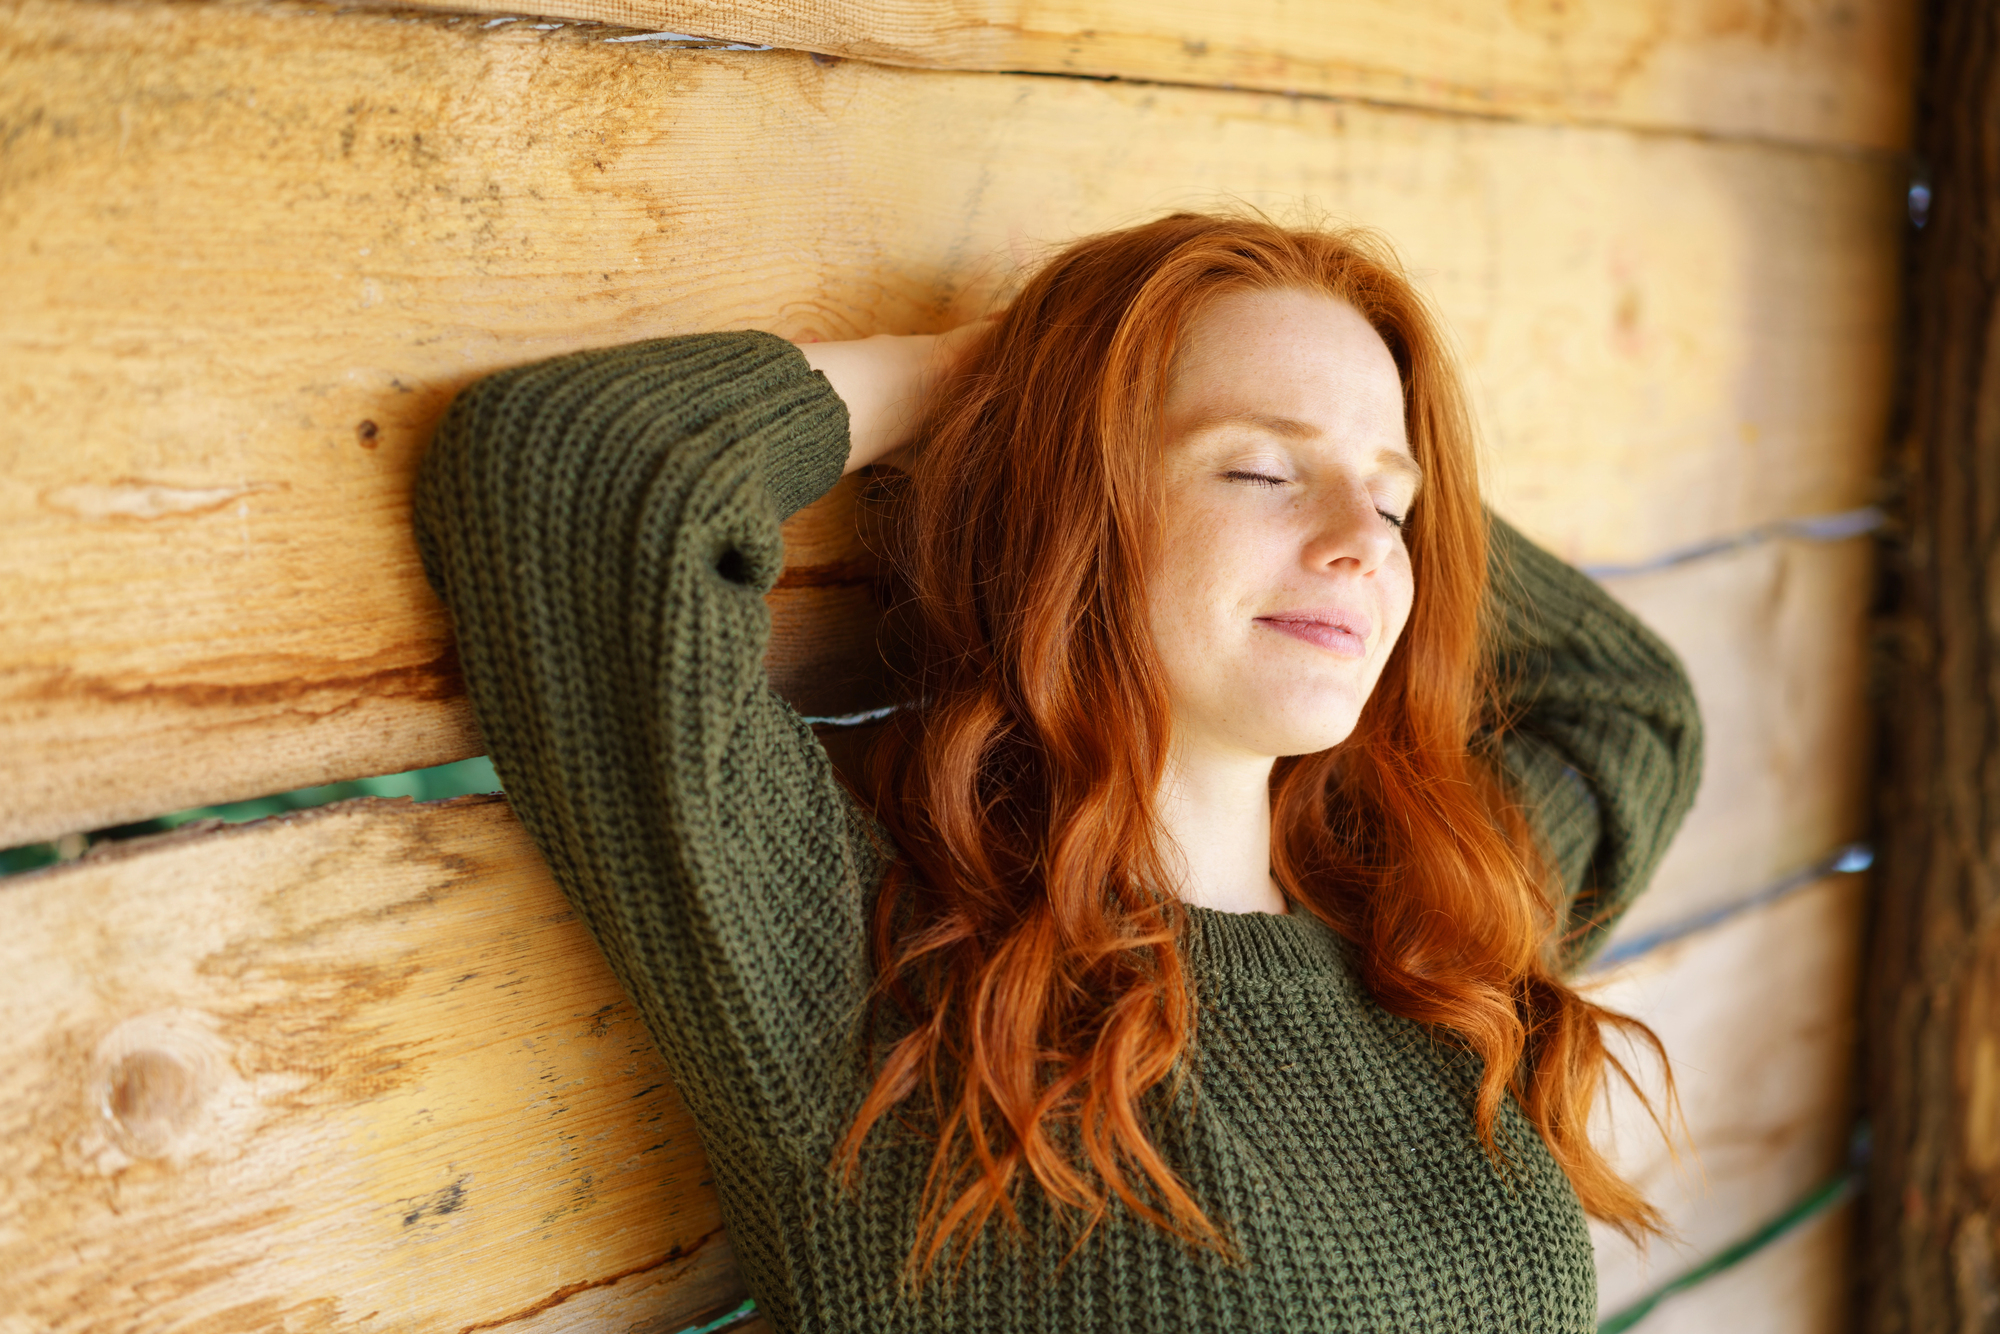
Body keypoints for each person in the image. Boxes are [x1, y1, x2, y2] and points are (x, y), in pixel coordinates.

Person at [413, 212, 1701, 1332]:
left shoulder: (1426, 923)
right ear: (1069, 504)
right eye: (1259, 468)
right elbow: (578, 468)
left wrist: (1385, 468)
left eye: (1394, 505)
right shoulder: (875, 979)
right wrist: (1000, 380)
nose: (1362, 546)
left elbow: (1625, 711)